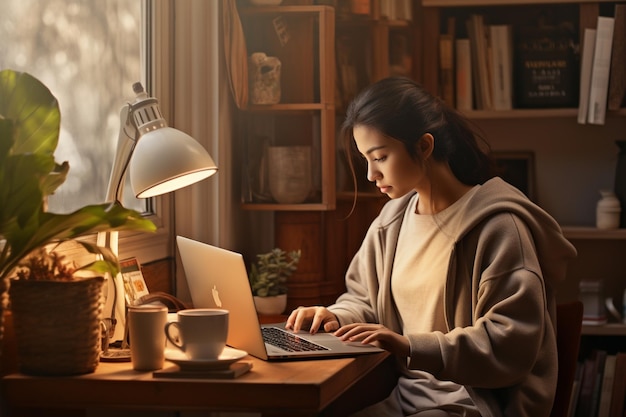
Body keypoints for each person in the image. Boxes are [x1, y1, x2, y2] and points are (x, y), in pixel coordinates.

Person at [285, 76, 577, 417]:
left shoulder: (498, 228)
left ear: (424, 146)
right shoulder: (391, 222)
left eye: (379, 157)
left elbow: (509, 344)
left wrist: (410, 346)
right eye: (365, 159)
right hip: (399, 397)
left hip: (471, 404)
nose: (370, 175)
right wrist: (335, 316)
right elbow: (363, 298)